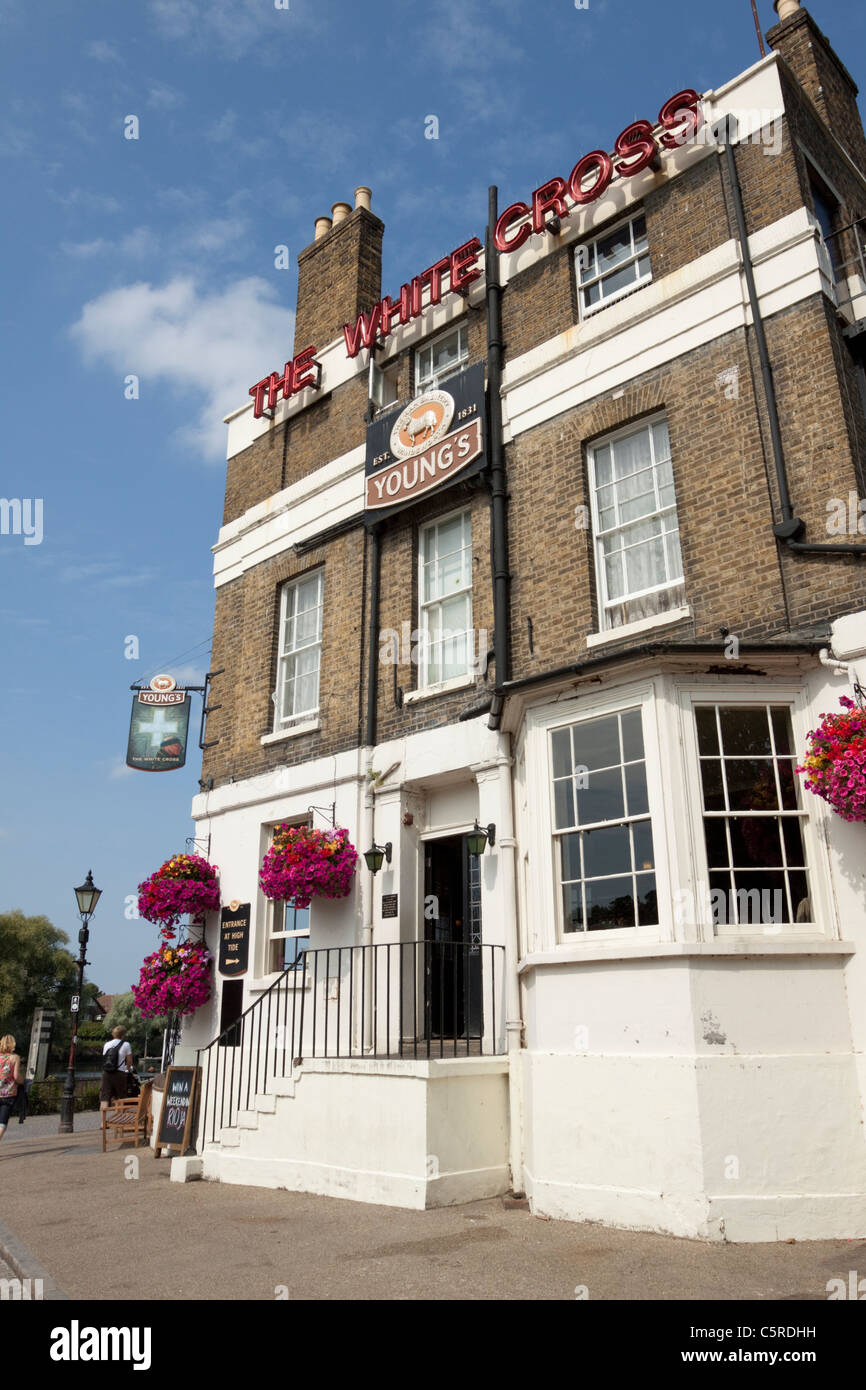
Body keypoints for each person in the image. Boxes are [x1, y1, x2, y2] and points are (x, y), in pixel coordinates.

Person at [100, 1025, 134, 1110]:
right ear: (123, 1035)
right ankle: (121, 1117)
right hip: (119, 1073)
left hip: (107, 1073)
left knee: (105, 1096)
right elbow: (129, 1061)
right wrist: (127, 1069)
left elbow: (105, 1059)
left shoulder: (107, 1044)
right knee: (121, 1096)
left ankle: (103, 1121)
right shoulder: (126, 1044)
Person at [0, 1035, 26, 1143]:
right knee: (2, 1123)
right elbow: (16, 1077)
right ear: (13, 1045)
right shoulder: (15, 1057)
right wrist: (23, 1081)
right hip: (8, 1094)